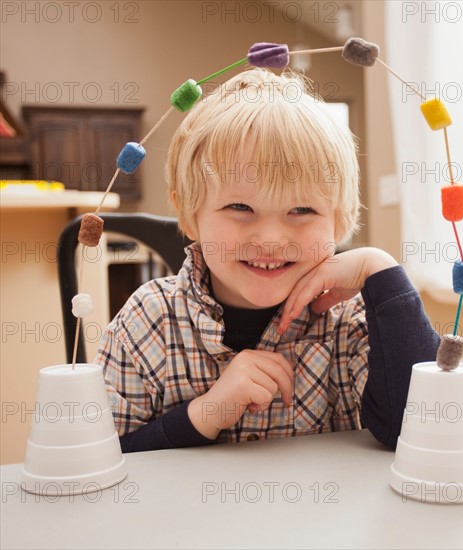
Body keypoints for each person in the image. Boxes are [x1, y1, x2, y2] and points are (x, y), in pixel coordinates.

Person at [96, 68, 440, 452]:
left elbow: (429, 430)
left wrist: (381, 271)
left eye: (302, 209)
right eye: (240, 206)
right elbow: (97, 459)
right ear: (190, 213)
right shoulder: (146, 322)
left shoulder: (352, 319)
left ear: (339, 220)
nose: (272, 239)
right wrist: (203, 414)